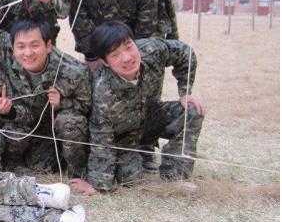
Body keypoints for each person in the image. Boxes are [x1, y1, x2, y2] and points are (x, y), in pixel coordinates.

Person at [0, 0, 92, 182]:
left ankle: (77, 171)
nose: (27, 53)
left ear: (49, 46)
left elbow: (88, 108)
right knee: (36, 163)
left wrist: (62, 103)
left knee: (71, 122)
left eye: (35, 45)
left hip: (55, 128)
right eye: (21, 46)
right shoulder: (7, 47)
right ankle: (14, 162)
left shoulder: (73, 70)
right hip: (25, 124)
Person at [81, 21, 205, 194]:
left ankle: (176, 176)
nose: (127, 58)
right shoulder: (102, 90)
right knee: (131, 178)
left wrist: (185, 92)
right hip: (125, 137)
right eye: (115, 55)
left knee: (191, 110)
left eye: (129, 47)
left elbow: (185, 52)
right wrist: (99, 185)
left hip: (150, 117)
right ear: (105, 62)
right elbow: (101, 139)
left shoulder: (152, 49)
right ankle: (137, 157)